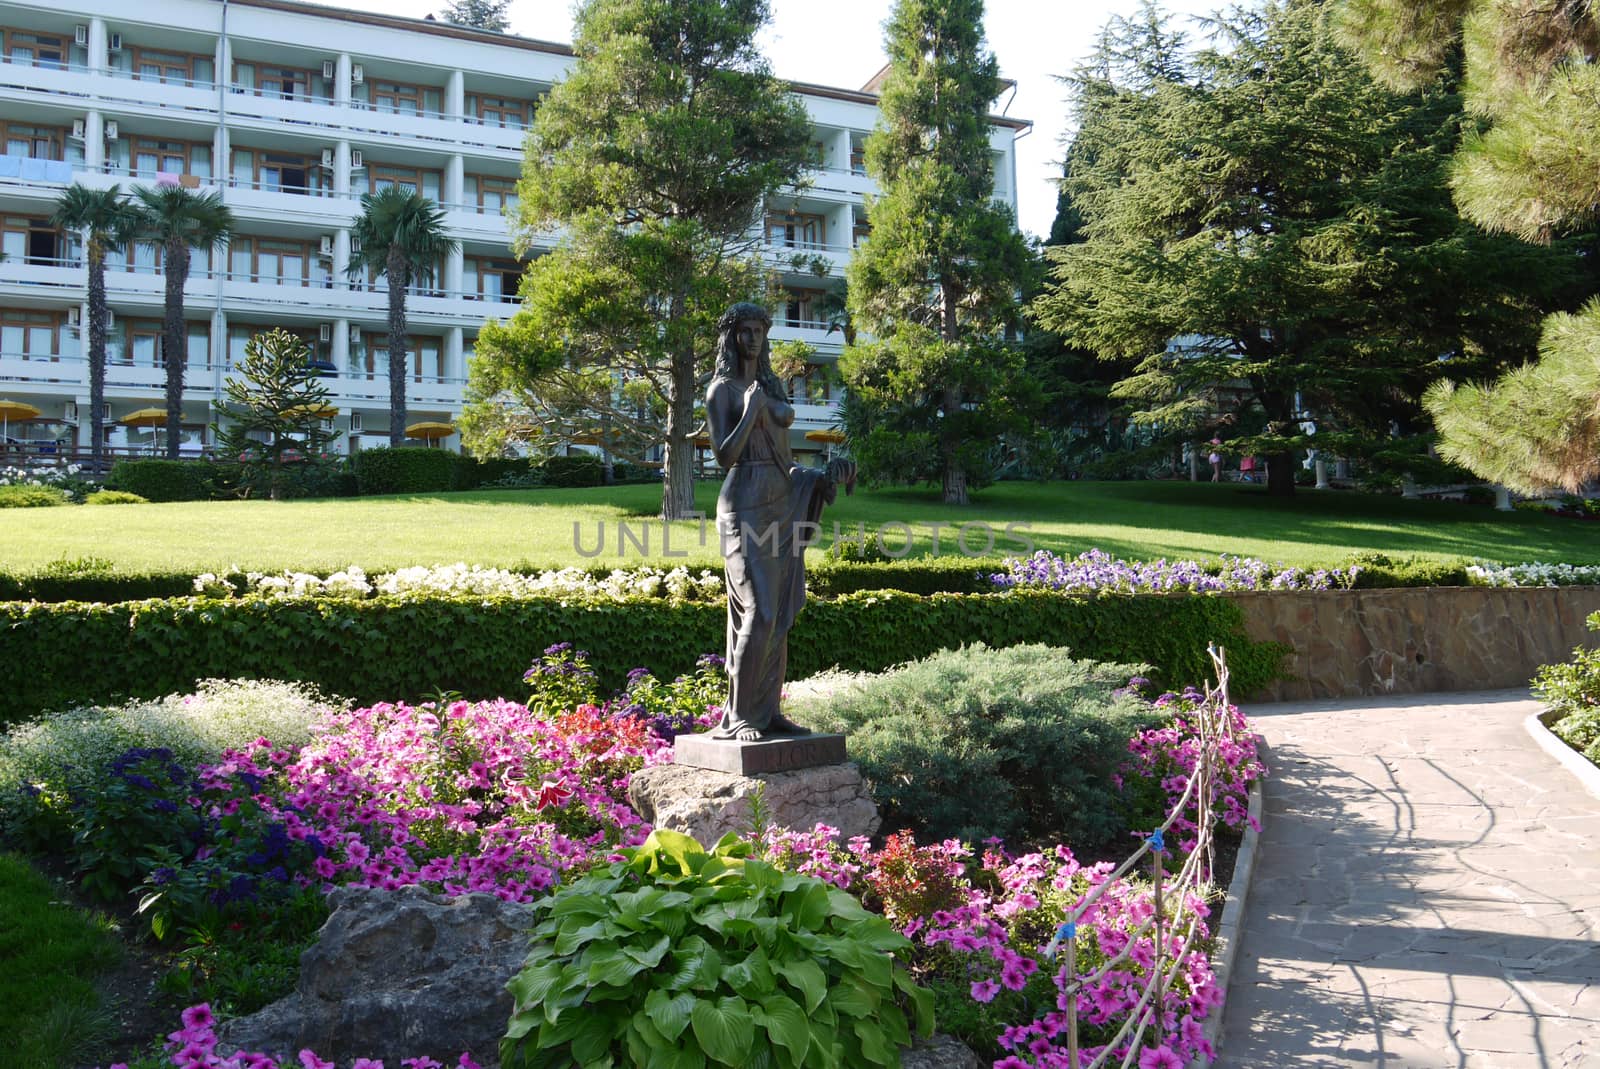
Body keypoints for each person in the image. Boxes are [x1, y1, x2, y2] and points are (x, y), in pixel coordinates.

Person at [705, 303, 855, 741]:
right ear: (731, 337)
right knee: (760, 610)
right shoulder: (722, 391)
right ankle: (739, 716)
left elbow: (787, 460)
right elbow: (723, 457)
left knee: (781, 612)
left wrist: (822, 479)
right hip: (743, 507)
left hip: (782, 502)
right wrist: (751, 412)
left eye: (759, 330)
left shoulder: (770, 385)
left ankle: (767, 711)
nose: (752, 338)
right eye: (744, 330)